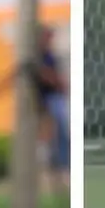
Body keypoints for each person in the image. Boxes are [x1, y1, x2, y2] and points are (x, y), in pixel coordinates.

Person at [34, 25, 69, 191]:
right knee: (52, 132)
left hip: (54, 97)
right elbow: (44, 75)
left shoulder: (50, 56)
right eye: (48, 36)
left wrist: (59, 82)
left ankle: (61, 166)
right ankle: (57, 166)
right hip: (46, 99)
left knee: (60, 133)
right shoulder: (37, 56)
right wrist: (56, 81)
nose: (50, 40)